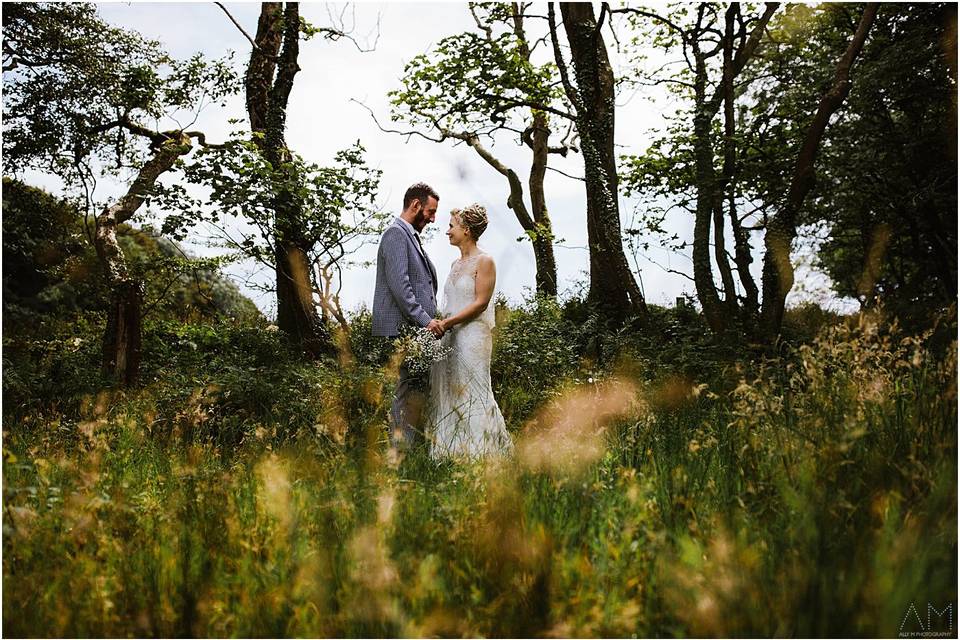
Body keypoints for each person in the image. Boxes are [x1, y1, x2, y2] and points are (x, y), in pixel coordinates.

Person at [428, 204, 512, 459]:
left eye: (451, 226)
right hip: (450, 335)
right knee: (452, 389)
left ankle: (481, 453)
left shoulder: (485, 261)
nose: (447, 231)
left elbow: (480, 303)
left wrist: (447, 323)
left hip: (473, 337)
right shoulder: (455, 264)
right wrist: (439, 325)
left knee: (473, 389)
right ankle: (451, 451)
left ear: (466, 230)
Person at [372, 182, 444, 450]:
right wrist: (427, 321)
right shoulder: (395, 234)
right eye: (431, 211)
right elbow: (400, 287)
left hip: (414, 330)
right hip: (401, 329)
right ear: (415, 205)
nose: (434, 218)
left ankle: (409, 451)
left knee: (414, 391)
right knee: (404, 393)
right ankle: (400, 457)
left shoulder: (409, 235)